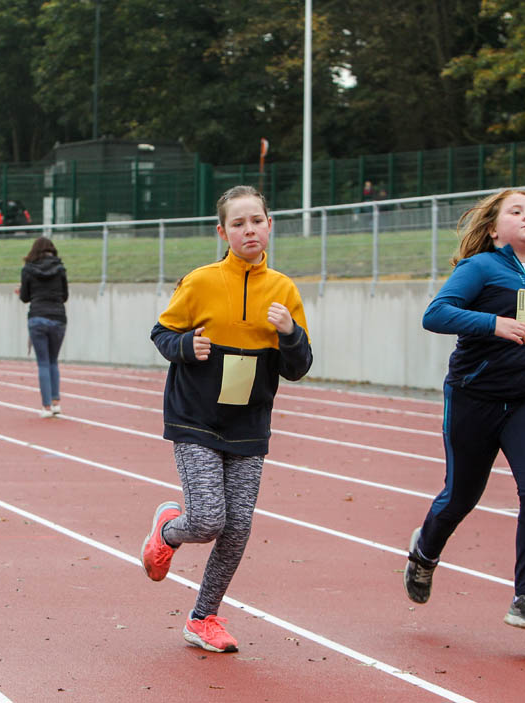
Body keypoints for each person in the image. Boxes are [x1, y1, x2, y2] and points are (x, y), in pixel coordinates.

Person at [140, 185, 313, 653]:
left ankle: (202, 619)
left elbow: (298, 368)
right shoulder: (200, 282)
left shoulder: (284, 290)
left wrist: (290, 333)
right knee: (207, 519)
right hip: (195, 416)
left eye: (256, 221)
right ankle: (167, 531)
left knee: (236, 529)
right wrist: (185, 346)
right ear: (223, 232)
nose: (249, 230)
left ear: (269, 226)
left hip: (248, 423)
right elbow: (161, 332)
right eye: (238, 223)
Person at [403, 189, 525, 634]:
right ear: (493, 229)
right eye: (516, 211)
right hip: (474, 397)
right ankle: (425, 552)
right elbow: (435, 314)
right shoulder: (480, 268)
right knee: (461, 496)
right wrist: (493, 323)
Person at [17, 236, 68, 417]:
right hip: (58, 317)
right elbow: (65, 296)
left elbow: (25, 297)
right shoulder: (60, 268)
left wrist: (21, 291)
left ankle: (46, 407)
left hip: (37, 317)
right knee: (53, 361)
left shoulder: (28, 269)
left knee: (43, 363)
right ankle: (56, 403)